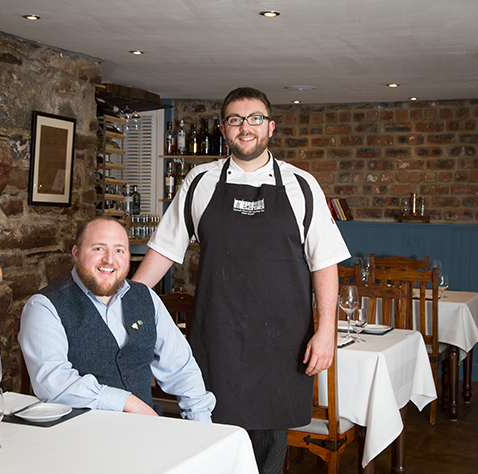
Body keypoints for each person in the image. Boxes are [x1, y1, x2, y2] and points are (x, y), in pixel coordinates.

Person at [132, 87, 350, 473]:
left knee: (268, 451)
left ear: (270, 127)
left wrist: (326, 330)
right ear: (223, 128)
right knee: (210, 440)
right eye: (235, 120)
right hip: (218, 337)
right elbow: (165, 250)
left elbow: (325, 263)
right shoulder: (199, 182)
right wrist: (124, 303)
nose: (244, 127)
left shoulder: (302, 185)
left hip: (282, 343)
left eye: (254, 119)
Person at [18, 216, 215, 422]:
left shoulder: (145, 297)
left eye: (119, 250)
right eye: (98, 249)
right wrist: (126, 402)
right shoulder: (43, 306)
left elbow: (182, 369)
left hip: (145, 435)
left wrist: (201, 424)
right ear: (76, 254)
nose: (110, 260)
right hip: (78, 439)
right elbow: (52, 382)